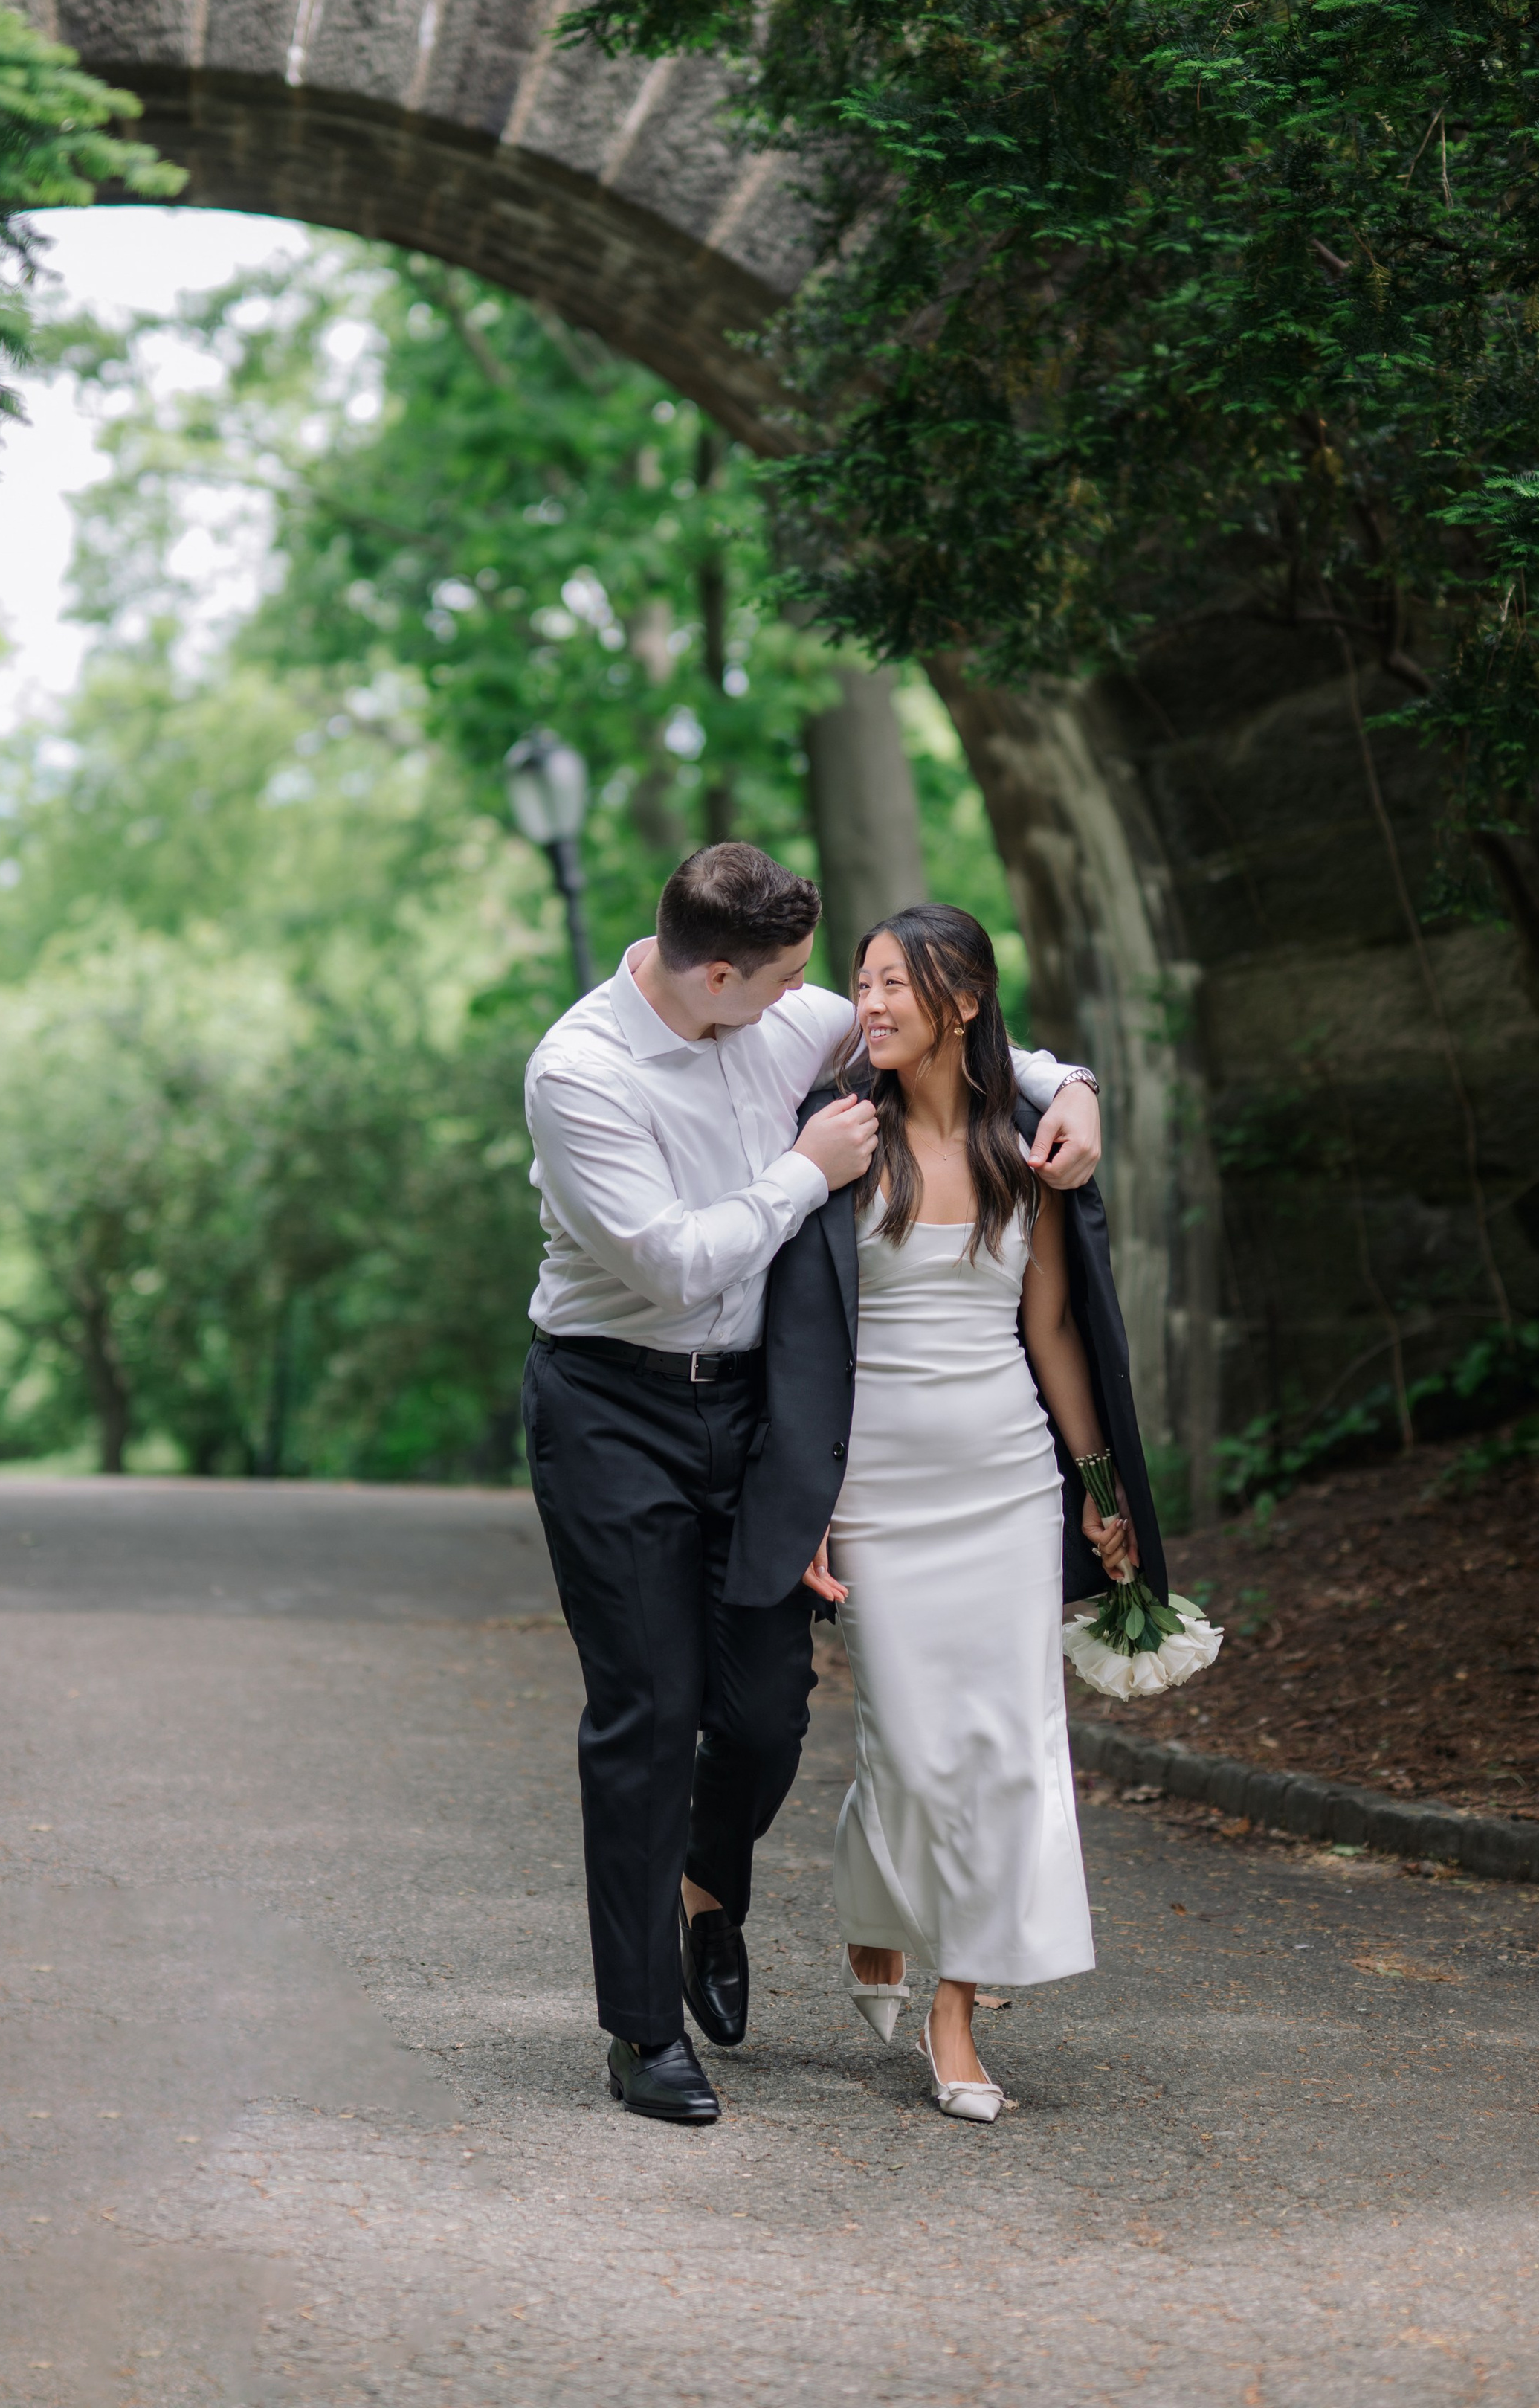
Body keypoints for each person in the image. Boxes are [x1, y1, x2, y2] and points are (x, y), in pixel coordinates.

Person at [520, 843, 1103, 2125]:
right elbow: (677, 1265)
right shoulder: (581, 1073)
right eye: (790, 979)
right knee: (651, 1711)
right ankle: (643, 2032)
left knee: (767, 1713)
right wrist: (808, 1170)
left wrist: (1077, 1088)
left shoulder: (784, 1013)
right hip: (613, 1402)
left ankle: (706, 1887)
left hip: (756, 1409)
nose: (821, 1003)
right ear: (715, 976)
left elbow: (966, 1034)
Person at [756, 905, 1166, 2122]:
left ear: (965, 1001)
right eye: (863, 984)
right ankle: (875, 1907)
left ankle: (956, 2012)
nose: (871, 1004)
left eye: (898, 984)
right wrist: (805, 1502)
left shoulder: (1022, 1153)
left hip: (1006, 1483)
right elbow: (798, 1338)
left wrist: (1101, 1493)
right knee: (912, 1747)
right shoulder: (840, 1140)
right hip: (876, 1490)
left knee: (1006, 1750)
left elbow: (1053, 1331)